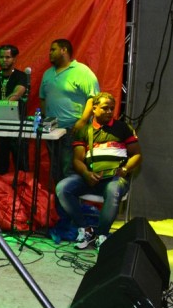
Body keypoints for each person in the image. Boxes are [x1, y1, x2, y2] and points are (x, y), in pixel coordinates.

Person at [55, 92, 141, 250]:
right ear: (94, 109)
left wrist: (125, 168)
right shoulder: (84, 131)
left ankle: (102, 235)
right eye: (105, 108)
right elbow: (77, 160)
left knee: (113, 189)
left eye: (112, 108)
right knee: (62, 187)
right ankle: (85, 229)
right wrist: (86, 174)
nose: (109, 111)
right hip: (90, 178)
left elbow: (137, 155)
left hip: (114, 178)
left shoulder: (123, 128)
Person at [38, 38, 100, 185]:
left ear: (64, 50)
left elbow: (93, 98)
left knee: (69, 168)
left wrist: (82, 121)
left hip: (72, 129)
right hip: (51, 129)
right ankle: (59, 198)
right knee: (55, 169)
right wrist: (45, 119)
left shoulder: (82, 71)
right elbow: (43, 98)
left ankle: (70, 197)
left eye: (53, 49)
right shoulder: (47, 74)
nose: (49, 53)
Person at [0, 44, 29, 174]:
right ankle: (2, 187)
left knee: (21, 167)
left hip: (18, 126)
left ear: (14, 59)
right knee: (0, 166)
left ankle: (21, 187)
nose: (4, 60)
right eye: (1, 57)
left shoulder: (21, 76)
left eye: (8, 57)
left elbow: (17, 94)